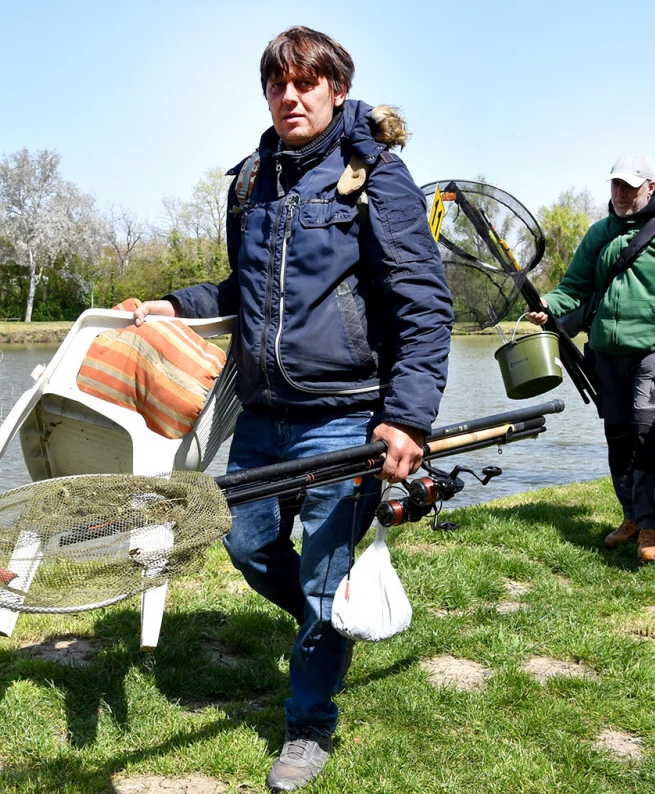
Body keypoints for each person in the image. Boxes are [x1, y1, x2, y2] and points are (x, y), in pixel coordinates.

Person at [131, 26, 452, 792]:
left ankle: (308, 726)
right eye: (277, 84)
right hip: (263, 411)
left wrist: (408, 418)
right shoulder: (251, 181)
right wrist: (176, 304)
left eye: (306, 83)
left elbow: (422, 302)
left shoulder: (376, 175)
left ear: (337, 90)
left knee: (320, 572)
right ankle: (328, 620)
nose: (290, 97)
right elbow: (243, 292)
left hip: (345, 411)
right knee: (246, 547)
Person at [528, 152, 655, 564]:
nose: (621, 193)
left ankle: (650, 526)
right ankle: (631, 516)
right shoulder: (599, 233)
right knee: (619, 439)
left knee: (647, 432)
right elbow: (573, 287)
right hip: (606, 355)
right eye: (615, 185)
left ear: (650, 188)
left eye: (629, 186)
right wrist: (549, 304)